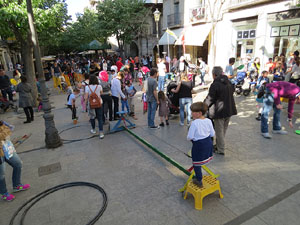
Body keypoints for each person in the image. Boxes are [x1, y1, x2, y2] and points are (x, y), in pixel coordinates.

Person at [204, 66, 237, 155]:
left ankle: (221, 149)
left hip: (219, 111)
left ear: (214, 75)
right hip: (229, 110)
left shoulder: (215, 84)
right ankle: (218, 145)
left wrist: (203, 106)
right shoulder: (228, 82)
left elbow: (210, 98)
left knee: (219, 131)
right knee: (223, 130)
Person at [0, 121, 30, 201]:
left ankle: (17, 185)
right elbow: (7, 131)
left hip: (6, 148)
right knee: (1, 175)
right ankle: (4, 193)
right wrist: (5, 133)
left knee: (18, 164)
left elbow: (8, 129)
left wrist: (4, 133)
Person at [187, 102, 215, 187]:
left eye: (193, 112)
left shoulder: (194, 123)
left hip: (198, 145)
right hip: (208, 143)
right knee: (202, 159)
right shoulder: (208, 120)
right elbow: (212, 134)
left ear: (199, 113)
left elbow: (189, 137)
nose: (191, 113)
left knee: (196, 163)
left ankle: (199, 180)